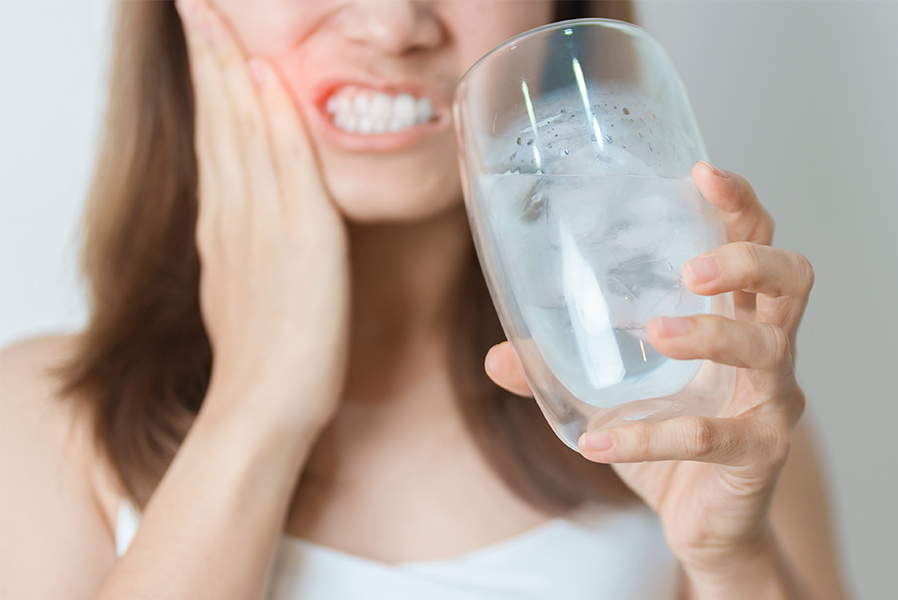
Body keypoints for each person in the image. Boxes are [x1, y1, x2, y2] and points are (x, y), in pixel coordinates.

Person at [0, 1, 848, 598]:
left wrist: (735, 563)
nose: (394, 22)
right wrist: (257, 408)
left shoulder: (702, 402)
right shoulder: (42, 424)